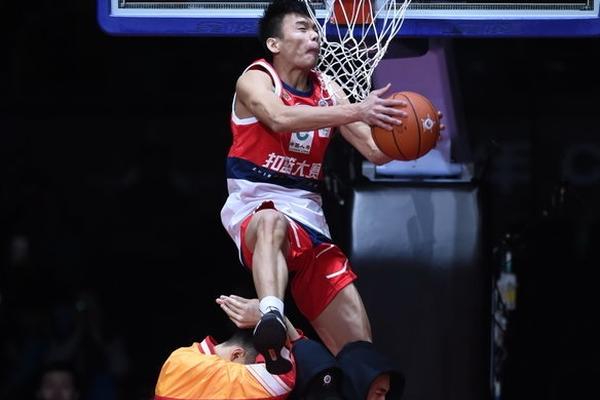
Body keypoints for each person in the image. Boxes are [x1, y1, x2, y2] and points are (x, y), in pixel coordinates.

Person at [220, 0, 423, 374]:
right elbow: (279, 117)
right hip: (255, 206)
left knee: (364, 360)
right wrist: (357, 109)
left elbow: (374, 150)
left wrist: (414, 139)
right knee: (271, 221)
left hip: (310, 221)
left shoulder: (329, 89)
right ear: (274, 43)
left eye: (315, 29)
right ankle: (271, 315)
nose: (314, 35)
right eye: (302, 28)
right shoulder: (256, 79)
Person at [218, 294, 405, 400]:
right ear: (359, 380)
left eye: (385, 395)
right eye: (379, 393)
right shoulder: (324, 381)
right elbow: (301, 347)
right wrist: (269, 313)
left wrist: (268, 313)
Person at [154, 319, 299, 400]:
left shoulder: (178, 356)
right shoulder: (222, 375)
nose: (250, 373)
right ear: (236, 355)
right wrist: (274, 316)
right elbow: (283, 377)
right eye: (251, 367)